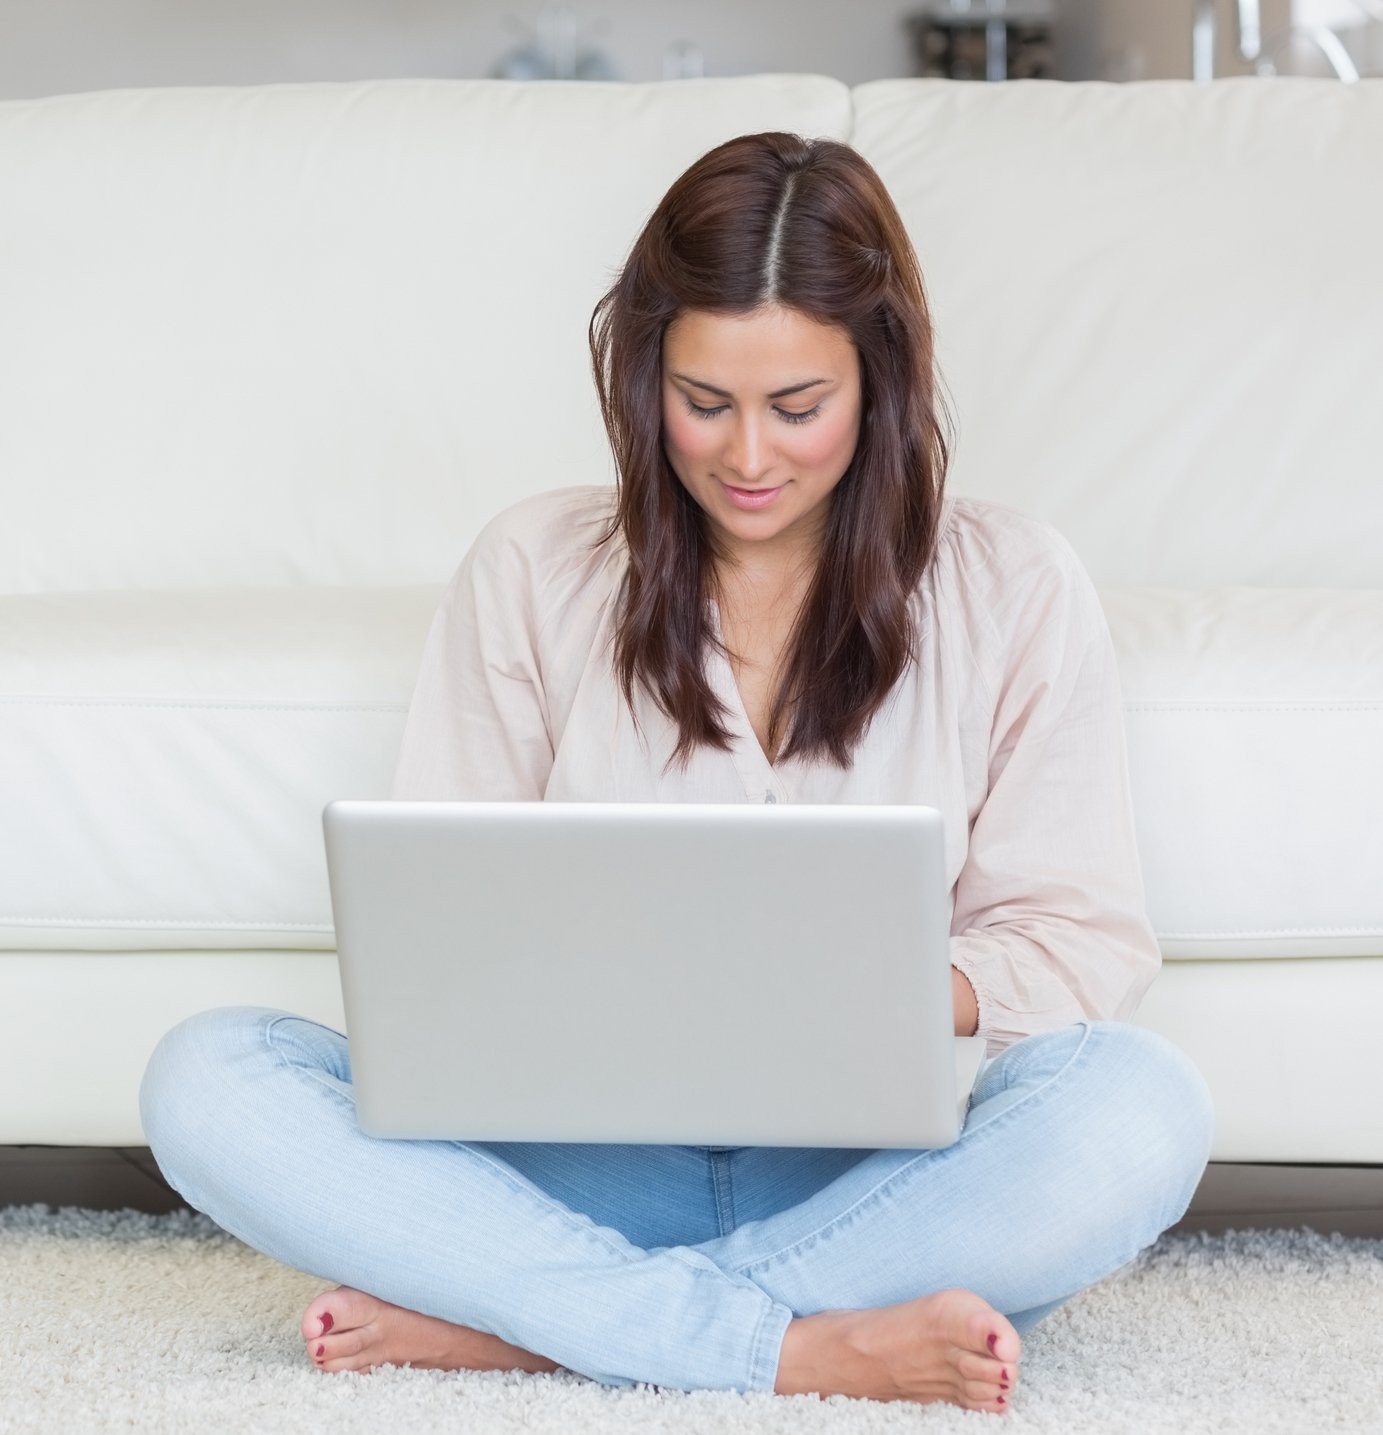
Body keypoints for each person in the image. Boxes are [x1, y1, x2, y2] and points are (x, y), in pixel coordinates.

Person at [139, 131, 1215, 1414]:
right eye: (703, 402)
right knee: (206, 1076)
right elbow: (436, 933)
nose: (747, 457)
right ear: (642, 376)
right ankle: (793, 1340)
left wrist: (887, 987)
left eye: (798, 408)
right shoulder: (534, 569)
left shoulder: (1013, 582)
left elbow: (1082, 941)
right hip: (577, 1161)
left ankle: (545, 1325)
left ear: (882, 382)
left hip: (870, 1172)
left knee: (1140, 1106)